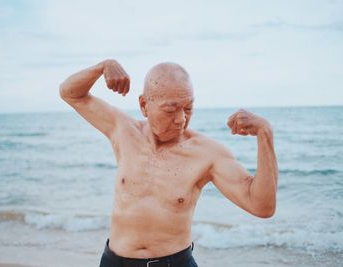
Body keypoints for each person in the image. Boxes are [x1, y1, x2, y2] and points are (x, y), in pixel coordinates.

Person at [59, 59, 278, 267]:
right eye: (171, 110)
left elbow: (262, 206)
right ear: (144, 105)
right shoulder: (123, 130)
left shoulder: (207, 153)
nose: (181, 119)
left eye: (189, 108)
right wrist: (103, 66)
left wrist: (265, 133)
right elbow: (70, 93)